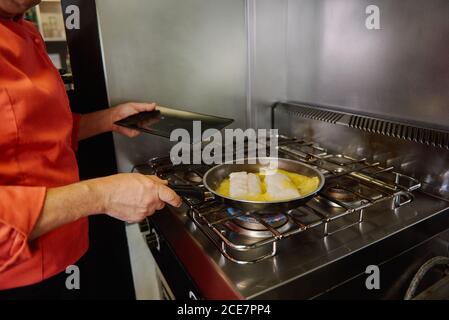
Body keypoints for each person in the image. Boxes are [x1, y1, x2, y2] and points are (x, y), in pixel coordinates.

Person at [0, 0, 182, 297]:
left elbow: (31, 135)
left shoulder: (24, 30)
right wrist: (102, 195)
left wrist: (106, 120)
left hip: (66, 246)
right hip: (16, 275)